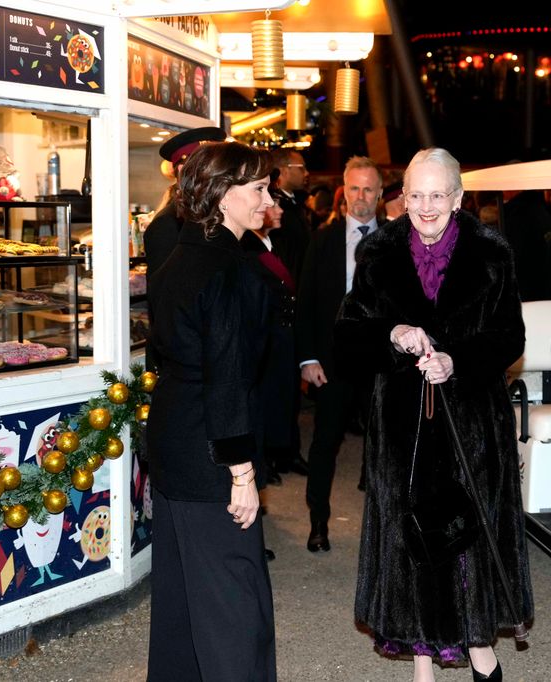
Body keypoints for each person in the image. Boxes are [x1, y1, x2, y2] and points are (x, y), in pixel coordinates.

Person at [335, 147, 533, 682]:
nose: (425, 207)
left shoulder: (492, 255)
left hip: (470, 422)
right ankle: (422, 659)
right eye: (415, 195)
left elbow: (510, 336)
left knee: (466, 536)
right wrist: (391, 334)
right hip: (401, 425)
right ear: (401, 199)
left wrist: (456, 359)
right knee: (410, 538)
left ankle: (478, 649)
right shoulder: (377, 255)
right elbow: (348, 334)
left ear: (459, 197)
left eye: (437, 195)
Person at [145, 141, 276, 681]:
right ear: (223, 196)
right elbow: (226, 377)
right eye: (258, 188)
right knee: (233, 604)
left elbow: (165, 353)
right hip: (210, 453)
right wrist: (241, 474)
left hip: (174, 440)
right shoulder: (227, 267)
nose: (268, 198)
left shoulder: (180, 253)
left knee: (180, 599)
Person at [295, 155, 383, 553]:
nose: (361, 197)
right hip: (331, 362)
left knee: (385, 445)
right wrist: (307, 358)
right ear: (343, 192)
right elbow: (306, 305)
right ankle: (318, 522)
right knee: (325, 443)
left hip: (381, 360)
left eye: (368, 189)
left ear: (380, 195)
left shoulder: (395, 243)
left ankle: (386, 528)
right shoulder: (324, 241)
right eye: (354, 188)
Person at [241, 168, 304, 488]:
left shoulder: (271, 244)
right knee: (266, 402)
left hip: (283, 337)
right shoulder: (247, 248)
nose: (277, 209)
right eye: (271, 202)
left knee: (284, 399)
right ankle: (263, 459)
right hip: (267, 339)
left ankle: (281, 453)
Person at [142, 126, 227, 276]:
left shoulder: (215, 213)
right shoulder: (167, 224)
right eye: (211, 167)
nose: (220, 175)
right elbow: (166, 294)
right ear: (183, 170)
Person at [270, 147, 312, 281]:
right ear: (283, 170)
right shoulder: (272, 208)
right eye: (301, 168)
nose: (306, 173)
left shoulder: (297, 203)